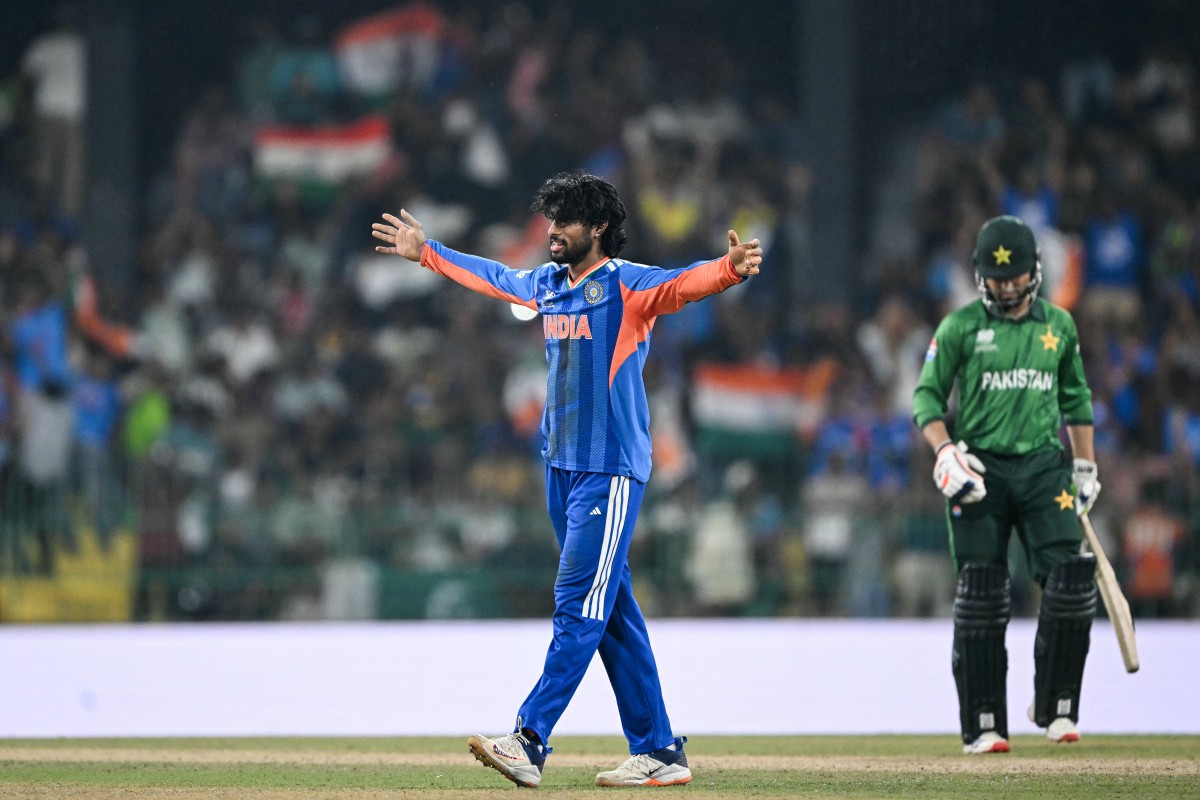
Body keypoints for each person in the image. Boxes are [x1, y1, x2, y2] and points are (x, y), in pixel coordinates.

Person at [372, 170, 762, 788]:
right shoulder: (548, 286)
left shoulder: (627, 285)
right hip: (561, 470)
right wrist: (428, 253)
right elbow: (493, 277)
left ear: (599, 227)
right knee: (613, 613)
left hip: (610, 471)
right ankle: (659, 750)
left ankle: (529, 740)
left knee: (578, 604)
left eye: (566, 220)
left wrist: (729, 270)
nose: (553, 230)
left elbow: (682, 285)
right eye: (551, 218)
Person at [912, 215, 1101, 755]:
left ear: (1034, 272)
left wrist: (1085, 467)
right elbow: (926, 398)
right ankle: (984, 723)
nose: (1007, 288)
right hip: (980, 470)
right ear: (979, 277)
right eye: (997, 280)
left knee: (1070, 581)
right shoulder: (960, 326)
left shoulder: (1059, 325)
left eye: (1015, 277)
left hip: (1043, 468)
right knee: (981, 594)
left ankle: (1056, 705)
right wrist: (945, 451)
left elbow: (1076, 398)